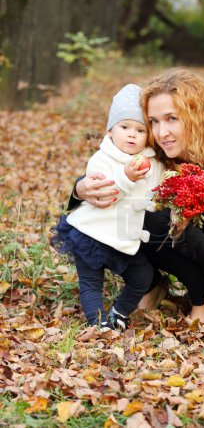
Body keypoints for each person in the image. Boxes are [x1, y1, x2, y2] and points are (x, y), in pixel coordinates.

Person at [68, 69, 204, 327]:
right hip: (172, 242)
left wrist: (182, 230)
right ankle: (150, 282)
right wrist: (81, 188)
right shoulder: (155, 151)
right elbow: (110, 175)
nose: (162, 132)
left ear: (197, 117)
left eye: (172, 118)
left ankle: (203, 297)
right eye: (154, 121)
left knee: (154, 216)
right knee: (122, 211)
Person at [51, 84, 164, 331]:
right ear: (111, 130)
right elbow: (104, 192)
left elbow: (158, 187)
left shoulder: (152, 162)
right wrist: (126, 175)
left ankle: (119, 313)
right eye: (124, 127)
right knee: (91, 283)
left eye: (140, 130)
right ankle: (98, 323)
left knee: (142, 276)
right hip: (91, 234)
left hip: (124, 236)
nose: (131, 135)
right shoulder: (102, 158)